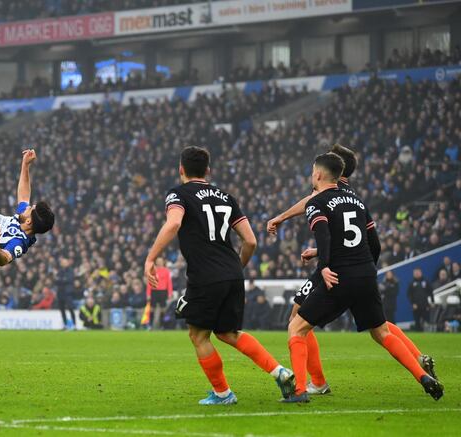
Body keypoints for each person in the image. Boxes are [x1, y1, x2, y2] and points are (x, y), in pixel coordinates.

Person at [266, 144, 434, 394]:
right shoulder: (353, 196)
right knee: (380, 327)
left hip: (335, 268)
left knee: (297, 320)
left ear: (333, 169)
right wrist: (362, 266)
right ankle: (419, 359)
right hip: (359, 269)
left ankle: (316, 382)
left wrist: (281, 218)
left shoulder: (327, 192)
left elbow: (312, 208)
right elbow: (367, 241)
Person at [144, 146, 295, 406]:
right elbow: (250, 241)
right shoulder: (226, 197)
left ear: (181, 169)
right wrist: (237, 268)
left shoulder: (178, 194)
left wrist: (150, 258)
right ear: (208, 171)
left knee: (199, 336)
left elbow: (174, 223)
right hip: (232, 272)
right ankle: (279, 371)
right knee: (228, 333)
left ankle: (223, 394)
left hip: (206, 274)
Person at [145, 258, 172, 329]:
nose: (159, 263)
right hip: (154, 291)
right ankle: (150, 325)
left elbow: (169, 283)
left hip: (163, 291)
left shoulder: (166, 271)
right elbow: (149, 282)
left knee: (163, 309)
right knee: (152, 309)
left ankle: (162, 325)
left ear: (163, 262)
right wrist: (148, 294)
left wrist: (169, 293)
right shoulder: (153, 270)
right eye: (158, 261)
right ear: (156, 262)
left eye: (161, 261)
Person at [55, 257, 77, 330]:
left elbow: (69, 279)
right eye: (62, 262)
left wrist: (61, 280)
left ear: (67, 263)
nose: (63, 263)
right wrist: (62, 280)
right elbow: (56, 280)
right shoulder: (60, 271)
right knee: (62, 310)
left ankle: (74, 325)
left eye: (65, 262)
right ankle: (65, 325)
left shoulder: (70, 270)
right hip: (60, 293)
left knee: (70, 308)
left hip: (67, 293)